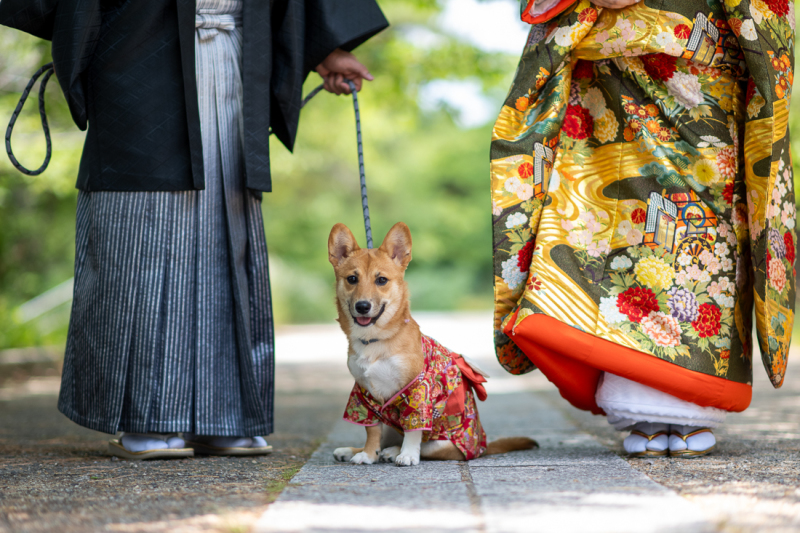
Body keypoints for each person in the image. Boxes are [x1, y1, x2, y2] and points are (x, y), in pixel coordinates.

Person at [0, 0, 388, 459]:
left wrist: (326, 50)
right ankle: (145, 419)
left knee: (225, 239)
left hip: (234, 59)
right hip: (140, 58)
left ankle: (225, 418)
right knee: (142, 239)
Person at [490, 0, 795, 456]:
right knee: (625, 226)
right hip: (610, 62)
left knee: (702, 226)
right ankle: (641, 403)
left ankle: (687, 402)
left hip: (701, 51)